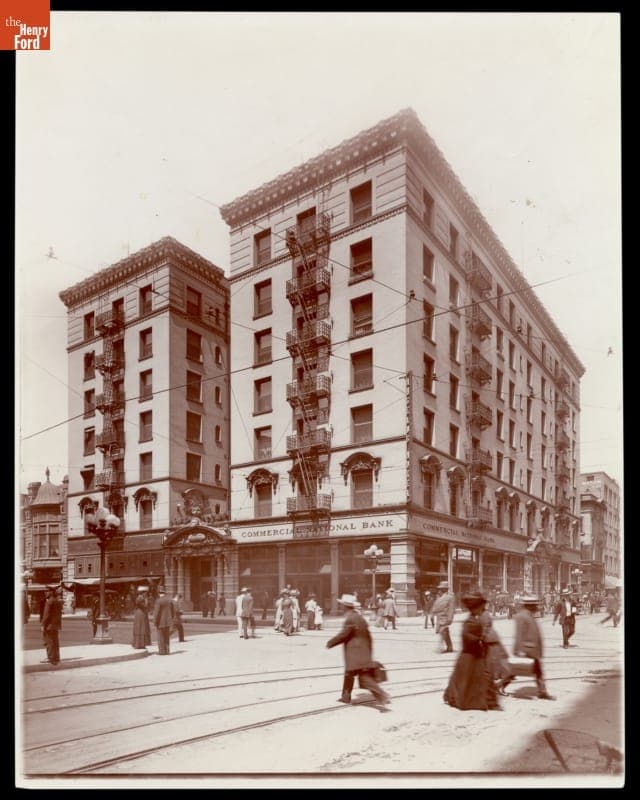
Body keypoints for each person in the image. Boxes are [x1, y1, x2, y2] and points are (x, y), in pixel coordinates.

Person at [326, 594, 389, 706]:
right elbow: (368, 637)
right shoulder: (359, 618)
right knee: (349, 674)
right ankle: (345, 697)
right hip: (362, 651)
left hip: (355, 653)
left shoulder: (350, 619)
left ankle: (382, 695)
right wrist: (368, 652)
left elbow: (344, 635)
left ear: (345, 606)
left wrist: (331, 642)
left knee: (363, 677)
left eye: (342, 606)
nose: (341, 607)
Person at [444, 591, 500, 710]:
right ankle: (472, 700)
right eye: (480, 606)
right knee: (470, 679)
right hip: (470, 654)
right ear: (476, 607)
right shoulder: (470, 620)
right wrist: (479, 639)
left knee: (473, 678)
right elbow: (466, 635)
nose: (482, 608)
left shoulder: (476, 617)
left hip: (473, 653)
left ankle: (487, 700)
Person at [499, 593, 554, 700]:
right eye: (535, 605)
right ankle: (500, 686)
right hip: (526, 649)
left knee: (535, 671)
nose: (537, 607)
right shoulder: (522, 616)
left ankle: (542, 691)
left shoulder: (529, 615)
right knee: (515, 670)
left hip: (531, 649)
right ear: (529, 605)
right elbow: (519, 634)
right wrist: (520, 651)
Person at [431, 580, 456, 653]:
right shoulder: (439, 597)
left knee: (442, 632)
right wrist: (432, 614)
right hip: (439, 617)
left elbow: (451, 609)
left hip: (445, 618)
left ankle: (440, 648)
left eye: (442, 588)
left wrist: (450, 619)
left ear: (446, 589)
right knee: (445, 632)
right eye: (440, 588)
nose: (440, 589)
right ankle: (450, 647)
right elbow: (435, 607)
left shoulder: (450, 597)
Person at [41, 586, 62, 665]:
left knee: (49, 641)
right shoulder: (57, 601)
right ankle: (56, 657)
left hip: (49, 625)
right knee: (55, 642)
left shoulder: (49, 602)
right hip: (55, 625)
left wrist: (43, 625)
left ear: (51, 592)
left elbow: (46, 615)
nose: (45, 593)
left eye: (46, 591)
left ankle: (51, 658)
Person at [153, 586, 175, 655]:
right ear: (164, 592)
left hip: (160, 622)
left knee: (160, 637)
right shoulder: (169, 600)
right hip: (168, 622)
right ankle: (167, 650)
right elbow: (173, 611)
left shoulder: (158, 601)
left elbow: (156, 613)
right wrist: (170, 618)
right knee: (166, 637)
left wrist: (155, 621)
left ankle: (162, 651)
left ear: (159, 593)